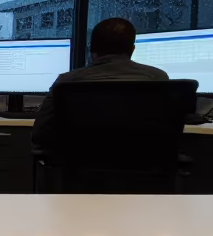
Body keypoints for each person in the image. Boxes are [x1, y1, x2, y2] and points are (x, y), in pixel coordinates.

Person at [31, 17, 170, 150]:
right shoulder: (157, 78)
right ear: (132, 49)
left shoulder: (67, 82)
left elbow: (40, 133)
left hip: (80, 168)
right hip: (143, 167)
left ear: (91, 50)